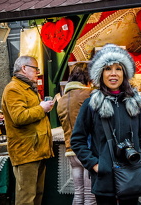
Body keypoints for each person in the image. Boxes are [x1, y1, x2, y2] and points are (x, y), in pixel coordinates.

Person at [71, 44, 141, 205]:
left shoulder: (135, 103)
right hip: (104, 179)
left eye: (118, 68)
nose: (113, 74)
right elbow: (77, 140)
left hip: (132, 175)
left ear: (125, 73)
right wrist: (95, 165)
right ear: (101, 73)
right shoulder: (91, 104)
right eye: (108, 68)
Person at [1, 55, 54, 205]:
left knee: (37, 194)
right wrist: (41, 108)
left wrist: (42, 108)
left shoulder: (28, 88)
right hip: (26, 151)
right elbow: (19, 117)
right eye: (35, 68)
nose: (38, 72)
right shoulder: (13, 89)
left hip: (36, 150)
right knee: (26, 197)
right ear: (24, 68)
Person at [57, 62, 96, 205]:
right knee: (90, 197)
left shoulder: (61, 99)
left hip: (71, 151)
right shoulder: (88, 94)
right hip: (87, 151)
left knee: (79, 194)